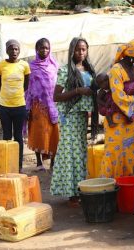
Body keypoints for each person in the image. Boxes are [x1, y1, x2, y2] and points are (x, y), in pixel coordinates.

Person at [50, 37, 97, 207]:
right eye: (78, 50)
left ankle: (79, 189)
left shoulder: (90, 70)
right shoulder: (65, 71)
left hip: (82, 116)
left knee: (80, 153)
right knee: (69, 152)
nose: (81, 53)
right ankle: (70, 193)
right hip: (69, 115)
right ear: (72, 51)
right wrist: (77, 91)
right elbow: (56, 96)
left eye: (84, 49)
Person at [100, 38, 134, 178]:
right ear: (133, 56)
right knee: (114, 153)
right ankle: (111, 185)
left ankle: (128, 185)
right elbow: (119, 97)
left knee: (130, 151)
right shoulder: (116, 70)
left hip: (129, 121)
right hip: (116, 120)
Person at [25, 38, 59, 171]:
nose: (44, 50)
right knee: (37, 133)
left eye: (46, 48)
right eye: (41, 48)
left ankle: (53, 163)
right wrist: (27, 108)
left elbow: (58, 86)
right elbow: (28, 89)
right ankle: (39, 163)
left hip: (52, 106)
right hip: (37, 106)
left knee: (53, 134)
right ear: (36, 49)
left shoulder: (54, 66)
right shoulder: (31, 67)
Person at [0, 39, 30, 171]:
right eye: (11, 49)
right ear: (6, 51)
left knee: (18, 136)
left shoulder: (25, 66)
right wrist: (5, 97)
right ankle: (6, 164)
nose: (14, 51)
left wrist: (17, 94)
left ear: (19, 50)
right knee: (6, 136)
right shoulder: (0, 65)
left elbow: (26, 84)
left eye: (16, 49)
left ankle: (18, 165)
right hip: (4, 106)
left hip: (19, 106)